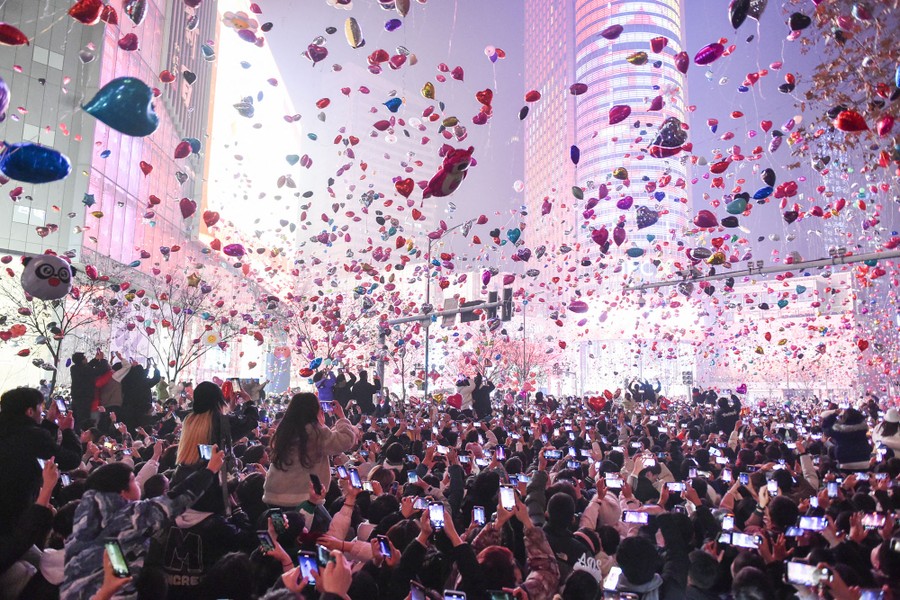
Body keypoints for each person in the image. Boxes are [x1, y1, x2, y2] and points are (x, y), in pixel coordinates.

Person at [61, 446, 225, 599]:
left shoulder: (89, 519)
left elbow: (115, 562)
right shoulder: (128, 517)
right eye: (133, 480)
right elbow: (175, 501)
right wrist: (209, 470)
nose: (138, 483)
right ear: (122, 492)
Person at [0, 387, 82, 532]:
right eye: (41, 406)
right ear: (30, 411)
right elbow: (71, 459)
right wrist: (68, 431)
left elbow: (40, 448)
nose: (42, 410)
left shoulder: (10, 430)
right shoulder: (31, 435)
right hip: (14, 511)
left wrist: (49, 423)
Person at [263, 392, 357, 508]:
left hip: (273, 494)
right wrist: (342, 418)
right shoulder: (314, 432)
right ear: (313, 410)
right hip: (302, 498)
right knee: (327, 525)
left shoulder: (283, 430)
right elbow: (345, 441)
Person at [69, 350, 108, 428]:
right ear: (82, 360)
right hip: (84, 399)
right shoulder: (86, 370)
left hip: (76, 398)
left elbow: (87, 367)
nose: (86, 359)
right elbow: (99, 371)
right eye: (85, 358)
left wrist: (96, 359)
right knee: (83, 418)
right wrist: (102, 360)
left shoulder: (74, 368)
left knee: (76, 418)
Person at [120, 358, 161, 432]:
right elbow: (156, 379)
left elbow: (137, 373)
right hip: (143, 409)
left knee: (129, 427)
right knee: (140, 428)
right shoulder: (144, 382)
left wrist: (133, 368)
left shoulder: (127, 380)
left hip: (128, 408)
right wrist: (155, 368)